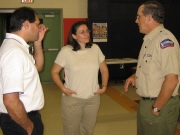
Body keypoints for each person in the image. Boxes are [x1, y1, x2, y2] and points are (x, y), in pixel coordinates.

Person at [124, 1, 180, 135]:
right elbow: (151, 68)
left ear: (149, 17)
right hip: (146, 102)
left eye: (138, 16)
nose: (136, 20)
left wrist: (156, 108)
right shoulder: (149, 40)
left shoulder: (165, 41)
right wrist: (135, 76)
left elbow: (172, 79)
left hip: (160, 104)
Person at [51, 21, 109, 135]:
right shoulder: (66, 51)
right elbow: (54, 72)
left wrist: (104, 86)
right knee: (71, 131)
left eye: (87, 31)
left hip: (92, 99)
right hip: (73, 99)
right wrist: (63, 88)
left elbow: (104, 70)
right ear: (74, 36)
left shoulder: (95, 48)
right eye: (82, 32)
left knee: (87, 131)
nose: (86, 34)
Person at [0, 7, 48, 135]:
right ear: (26, 24)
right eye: (37, 24)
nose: (39, 28)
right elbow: (10, 100)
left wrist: (38, 43)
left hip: (22, 117)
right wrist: (28, 127)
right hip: (19, 120)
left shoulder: (18, 47)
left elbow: (38, 67)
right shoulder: (14, 52)